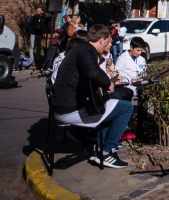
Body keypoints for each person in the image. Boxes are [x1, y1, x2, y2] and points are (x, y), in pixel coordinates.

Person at [51, 24, 133, 168]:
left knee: (111, 104)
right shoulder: (86, 50)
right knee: (126, 108)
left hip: (67, 105)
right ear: (101, 40)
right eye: (108, 42)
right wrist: (108, 84)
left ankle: (99, 148)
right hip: (69, 110)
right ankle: (107, 151)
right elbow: (92, 71)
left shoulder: (80, 49)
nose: (109, 44)